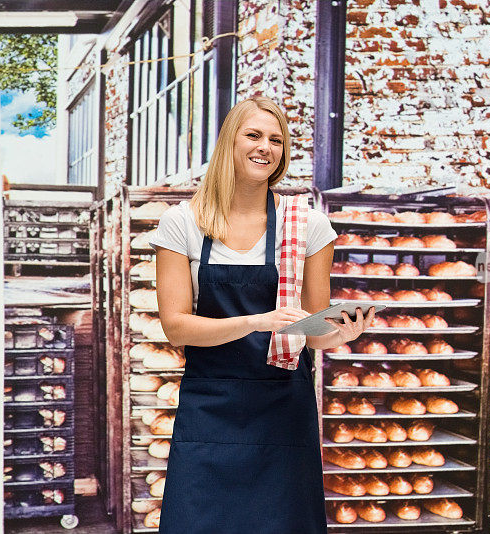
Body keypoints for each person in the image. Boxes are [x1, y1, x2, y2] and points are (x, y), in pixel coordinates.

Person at [149, 96, 375, 533]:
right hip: (211, 406)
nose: (265, 147)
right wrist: (255, 321)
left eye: (276, 139)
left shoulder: (307, 225)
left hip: (282, 408)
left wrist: (341, 334)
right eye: (253, 135)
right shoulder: (183, 223)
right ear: (229, 144)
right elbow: (176, 327)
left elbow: (313, 329)